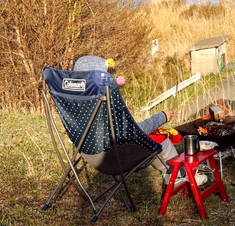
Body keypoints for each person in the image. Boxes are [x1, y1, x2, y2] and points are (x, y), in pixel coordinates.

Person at [73, 55, 195, 185]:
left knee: (149, 138)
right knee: (158, 138)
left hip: (89, 154)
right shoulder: (105, 103)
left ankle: (172, 174)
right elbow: (135, 131)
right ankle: (179, 175)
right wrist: (162, 117)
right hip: (113, 159)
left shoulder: (74, 102)